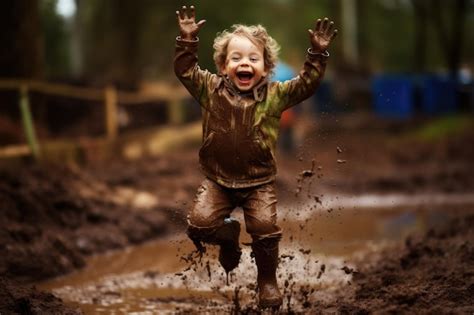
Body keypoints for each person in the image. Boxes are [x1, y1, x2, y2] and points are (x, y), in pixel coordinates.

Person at [174, 5, 337, 308]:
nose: (244, 63)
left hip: (258, 182)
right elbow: (185, 71)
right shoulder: (209, 89)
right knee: (198, 225)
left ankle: (267, 281)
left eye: (252, 58)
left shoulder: (276, 95)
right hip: (218, 181)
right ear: (223, 66)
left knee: (264, 229)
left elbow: (306, 84)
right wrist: (187, 42)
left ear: (265, 67)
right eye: (236, 58)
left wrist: (317, 55)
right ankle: (228, 238)